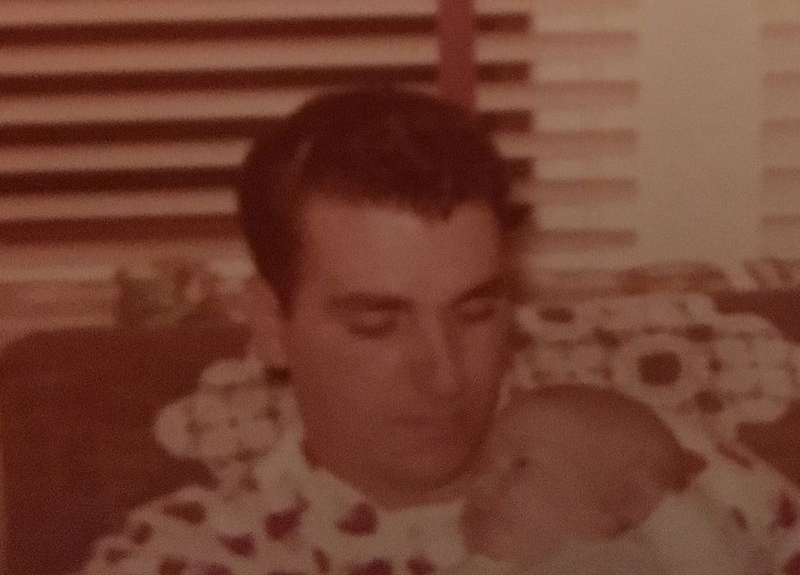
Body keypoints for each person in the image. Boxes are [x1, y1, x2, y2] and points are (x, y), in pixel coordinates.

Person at [83, 87, 520, 573]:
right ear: (271, 324)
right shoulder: (188, 556)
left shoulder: (589, 498)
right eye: (376, 325)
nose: (445, 377)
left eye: (475, 313)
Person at [452, 385, 769, 574]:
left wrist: (665, 513)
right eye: (480, 467)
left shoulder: (649, 559)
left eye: (521, 465)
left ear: (619, 497)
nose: (479, 485)